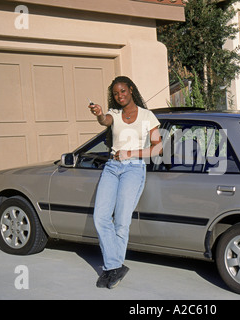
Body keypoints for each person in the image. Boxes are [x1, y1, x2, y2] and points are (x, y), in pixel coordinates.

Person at [88, 76, 162, 289]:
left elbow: (157, 148)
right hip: (112, 168)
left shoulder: (147, 116)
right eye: (115, 94)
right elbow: (105, 121)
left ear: (131, 89)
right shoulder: (114, 114)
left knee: (121, 220)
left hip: (134, 168)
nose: (120, 96)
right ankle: (114, 267)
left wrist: (131, 152)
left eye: (123, 91)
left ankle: (111, 269)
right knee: (100, 216)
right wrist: (100, 114)